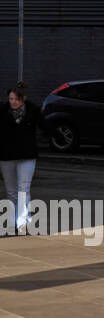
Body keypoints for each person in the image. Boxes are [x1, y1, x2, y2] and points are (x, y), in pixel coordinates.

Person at [0, 83, 45, 235]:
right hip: (7, 156)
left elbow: (45, 125)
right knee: (11, 191)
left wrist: (57, 136)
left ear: (23, 99)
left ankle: (23, 222)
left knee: (23, 189)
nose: (13, 102)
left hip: (27, 156)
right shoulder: (2, 110)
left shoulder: (33, 110)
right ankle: (12, 221)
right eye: (11, 98)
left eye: (16, 99)